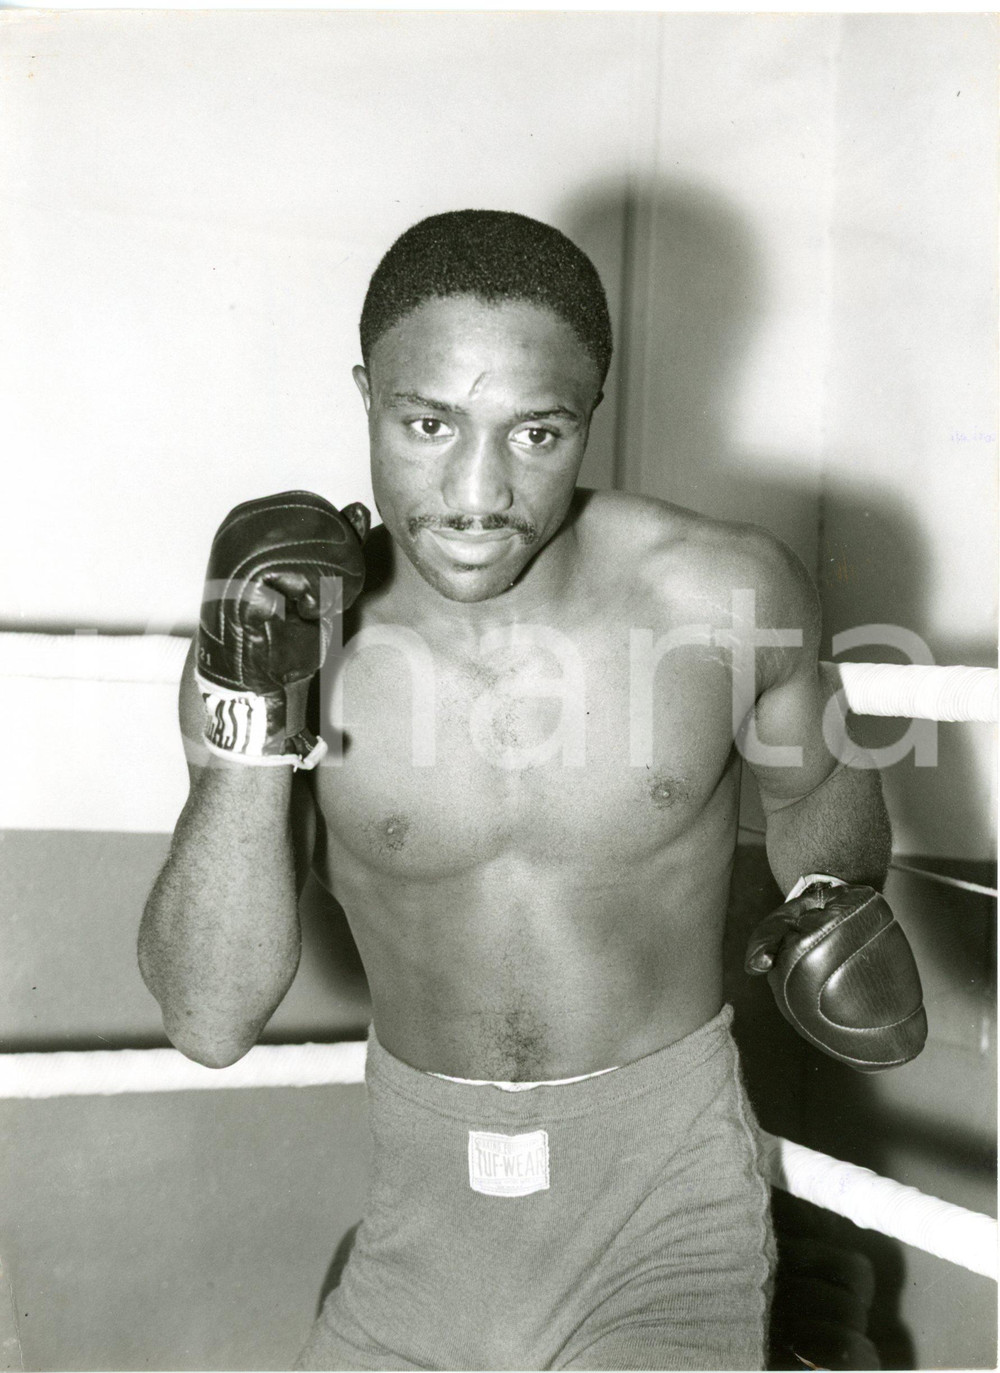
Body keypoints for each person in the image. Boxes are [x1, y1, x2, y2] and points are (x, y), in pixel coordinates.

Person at [138, 210, 925, 1371]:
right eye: (427, 424)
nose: (475, 490)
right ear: (365, 394)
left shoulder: (725, 591)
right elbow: (207, 1018)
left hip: (665, 1210)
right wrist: (256, 714)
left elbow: (825, 811)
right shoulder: (292, 630)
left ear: (589, 416)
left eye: (535, 434)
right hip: (420, 1232)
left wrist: (832, 892)